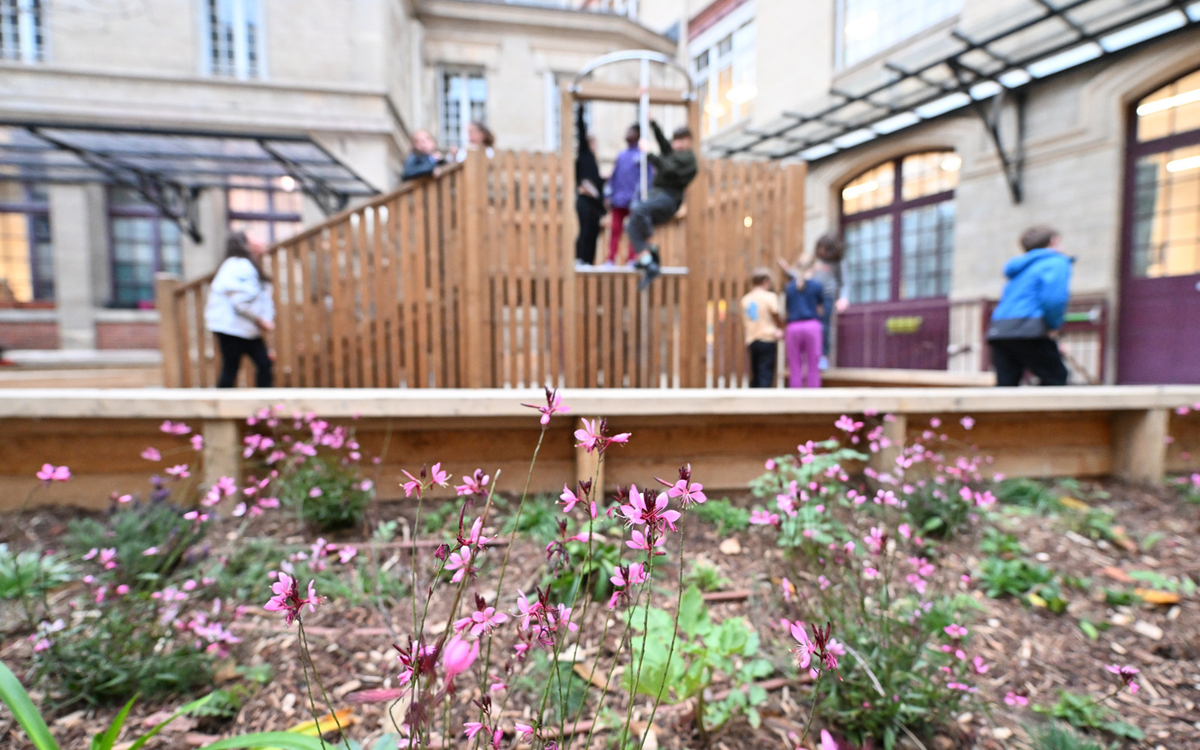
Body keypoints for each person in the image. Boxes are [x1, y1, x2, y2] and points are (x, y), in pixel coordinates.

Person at [987, 225, 1072, 386]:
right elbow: (1054, 299)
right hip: (1028, 328)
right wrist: (1053, 326)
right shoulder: (1056, 261)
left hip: (999, 329)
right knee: (1056, 377)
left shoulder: (1020, 267)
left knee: (1006, 385)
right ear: (1054, 241)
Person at [628, 120, 697, 289]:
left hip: (669, 198)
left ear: (688, 141)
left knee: (640, 210)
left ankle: (651, 252)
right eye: (675, 140)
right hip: (658, 195)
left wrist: (649, 153)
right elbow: (664, 144)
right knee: (631, 224)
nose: (676, 144)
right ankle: (648, 260)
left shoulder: (688, 159)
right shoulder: (674, 153)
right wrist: (651, 122)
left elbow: (669, 168)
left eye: (681, 140)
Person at [204, 232, 275, 388]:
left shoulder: (247, 265)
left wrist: (266, 318)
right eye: (254, 237)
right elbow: (241, 300)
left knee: (261, 364)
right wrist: (261, 320)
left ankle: (265, 407)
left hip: (245, 328)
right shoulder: (238, 265)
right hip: (232, 328)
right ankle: (222, 408)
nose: (261, 239)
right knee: (233, 368)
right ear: (245, 244)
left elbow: (260, 297)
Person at [603, 123, 652, 265]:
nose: (627, 134)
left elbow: (649, 177)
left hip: (634, 201)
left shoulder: (642, 156)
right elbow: (614, 177)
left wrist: (644, 196)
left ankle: (631, 259)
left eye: (631, 131)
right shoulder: (621, 156)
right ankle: (610, 260)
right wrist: (608, 195)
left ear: (637, 134)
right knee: (615, 230)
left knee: (633, 231)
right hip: (618, 201)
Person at [779, 258, 825, 388]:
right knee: (813, 364)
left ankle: (795, 399)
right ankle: (814, 399)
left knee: (794, 365)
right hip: (812, 326)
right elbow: (820, 309)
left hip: (793, 327)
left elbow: (787, 310)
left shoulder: (789, 287)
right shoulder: (817, 285)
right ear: (813, 267)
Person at [808, 233, 849, 370]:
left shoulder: (838, 262)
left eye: (824, 248)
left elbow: (844, 283)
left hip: (827, 297)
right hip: (813, 297)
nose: (821, 251)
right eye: (820, 248)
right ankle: (811, 356)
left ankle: (824, 357)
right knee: (811, 326)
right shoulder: (815, 262)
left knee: (824, 327)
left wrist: (843, 298)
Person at [573, 105, 605, 267]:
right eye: (592, 143)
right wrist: (580, 110)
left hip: (595, 204)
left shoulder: (593, 161)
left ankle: (589, 261)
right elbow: (581, 131)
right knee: (585, 230)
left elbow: (597, 183)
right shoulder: (584, 154)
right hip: (585, 200)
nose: (594, 146)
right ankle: (580, 259)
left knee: (593, 232)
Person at [740, 268, 783, 388]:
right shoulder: (769, 297)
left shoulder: (746, 299)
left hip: (752, 338)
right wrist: (781, 328)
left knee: (755, 372)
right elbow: (776, 314)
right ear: (766, 281)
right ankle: (763, 401)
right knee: (766, 373)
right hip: (767, 337)